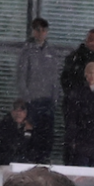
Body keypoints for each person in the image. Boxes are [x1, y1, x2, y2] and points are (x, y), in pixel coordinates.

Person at [15, 19, 61, 164]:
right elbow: (21, 77)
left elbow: (55, 78)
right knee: (31, 135)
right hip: (33, 101)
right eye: (38, 30)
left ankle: (44, 162)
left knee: (46, 136)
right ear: (33, 32)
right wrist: (27, 98)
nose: (41, 33)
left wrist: (54, 99)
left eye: (44, 30)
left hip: (48, 101)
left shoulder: (51, 52)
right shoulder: (27, 51)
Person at [63, 62, 94, 168]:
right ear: (85, 74)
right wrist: (72, 139)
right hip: (82, 139)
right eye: (89, 73)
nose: (91, 76)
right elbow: (72, 118)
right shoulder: (78, 94)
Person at [61, 28, 94, 100]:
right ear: (86, 41)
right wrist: (72, 94)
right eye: (91, 39)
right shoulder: (75, 58)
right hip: (76, 100)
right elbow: (65, 78)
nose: (92, 42)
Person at [0, 102, 36, 169]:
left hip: (26, 167)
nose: (18, 113)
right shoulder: (3, 127)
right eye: (16, 110)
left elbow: (35, 150)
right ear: (12, 112)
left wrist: (28, 131)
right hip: (5, 166)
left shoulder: (33, 129)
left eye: (21, 111)